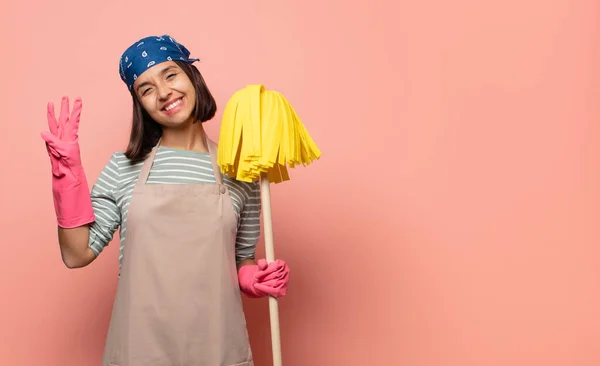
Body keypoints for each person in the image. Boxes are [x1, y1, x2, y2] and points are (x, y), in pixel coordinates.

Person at [41, 34, 290, 366]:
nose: (163, 93)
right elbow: (76, 254)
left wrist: (252, 278)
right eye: (146, 88)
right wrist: (66, 174)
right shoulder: (122, 168)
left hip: (216, 349)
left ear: (191, 76)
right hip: (139, 350)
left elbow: (241, 259)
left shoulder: (240, 172)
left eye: (170, 74)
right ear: (140, 104)